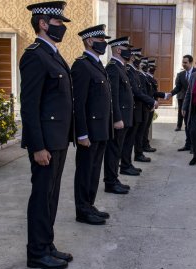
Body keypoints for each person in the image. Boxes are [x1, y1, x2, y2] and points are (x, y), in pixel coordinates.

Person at [20, 1, 73, 269]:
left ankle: (47, 243)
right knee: (41, 196)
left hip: (58, 139)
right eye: (58, 23)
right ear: (43, 23)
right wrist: (37, 146)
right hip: (45, 144)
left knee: (51, 196)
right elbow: (29, 106)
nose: (62, 27)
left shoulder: (53, 54)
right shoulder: (34, 55)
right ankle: (36, 252)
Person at [72, 24, 112, 226]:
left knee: (95, 170)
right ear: (89, 41)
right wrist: (81, 133)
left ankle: (90, 204)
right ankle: (82, 210)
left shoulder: (97, 64)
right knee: (85, 171)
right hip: (89, 131)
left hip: (101, 130)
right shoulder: (81, 65)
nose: (104, 43)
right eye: (101, 40)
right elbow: (78, 103)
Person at [103, 36, 134, 194]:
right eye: (127, 48)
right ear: (118, 50)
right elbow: (113, 96)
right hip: (119, 119)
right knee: (113, 151)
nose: (130, 51)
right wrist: (117, 118)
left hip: (125, 117)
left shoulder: (120, 67)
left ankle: (114, 179)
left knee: (117, 150)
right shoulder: (113, 68)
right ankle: (110, 182)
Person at [121, 49, 157, 174]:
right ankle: (125, 165)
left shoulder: (134, 71)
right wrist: (151, 101)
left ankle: (128, 163)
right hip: (134, 109)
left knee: (131, 139)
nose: (139, 60)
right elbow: (136, 92)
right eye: (137, 57)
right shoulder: (129, 71)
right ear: (132, 57)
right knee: (129, 140)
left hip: (138, 109)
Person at [142, 58, 169, 153]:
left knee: (147, 127)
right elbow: (151, 93)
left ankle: (145, 144)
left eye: (154, 67)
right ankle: (144, 145)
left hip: (151, 104)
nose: (153, 68)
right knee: (144, 128)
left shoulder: (151, 78)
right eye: (151, 67)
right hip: (147, 105)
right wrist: (160, 97)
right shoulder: (146, 78)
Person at [171, 55, 195, 152]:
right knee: (187, 125)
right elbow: (178, 88)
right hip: (184, 103)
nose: (183, 64)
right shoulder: (181, 75)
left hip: (194, 104)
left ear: (191, 62)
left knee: (193, 126)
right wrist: (169, 94)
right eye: (183, 62)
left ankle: (194, 146)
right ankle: (188, 144)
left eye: (185, 62)